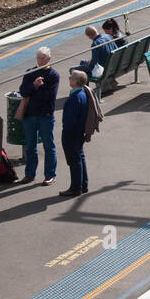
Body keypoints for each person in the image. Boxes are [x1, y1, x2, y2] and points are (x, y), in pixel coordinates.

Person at [16, 47, 58, 186]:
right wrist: (34, 86)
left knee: (48, 146)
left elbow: (49, 97)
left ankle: (50, 175)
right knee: (30, 146)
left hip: (45, 115)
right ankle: (29, 174)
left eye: (42, 58)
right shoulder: (30, 73)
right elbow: (23, 91)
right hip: (30, 115)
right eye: (38, 58)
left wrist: (34, 90)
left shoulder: (53, 75)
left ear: (49, 59)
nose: (39, 61)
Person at [60, 69, 91, 197]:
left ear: (76, 81)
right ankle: (83, 184)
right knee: (79, 157)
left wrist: (66, 132)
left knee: (74, 160)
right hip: (79, 132)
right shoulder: (83, 93)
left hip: (72, 133)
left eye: (71, 77)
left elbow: (70, 120)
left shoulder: (75, 97)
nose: (69, 78)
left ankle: (75, 187)